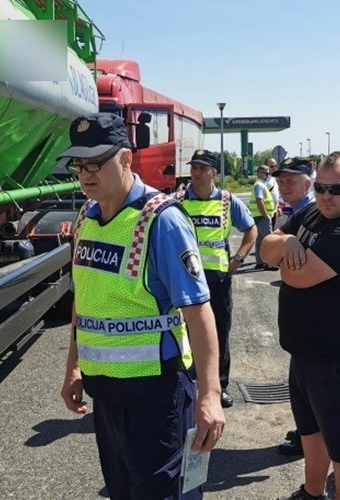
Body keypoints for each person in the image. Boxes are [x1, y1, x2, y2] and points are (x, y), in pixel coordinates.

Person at [59, 113, 225, 500]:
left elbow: (199, 311)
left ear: (126, 159)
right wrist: (73, 366)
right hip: (105, 394)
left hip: (157, 395)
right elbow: (83, 301)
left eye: (95, 163)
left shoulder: (161, 221)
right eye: (79, 165)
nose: (85, 174)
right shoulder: (86, 217)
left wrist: (210, 395)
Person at [261, 152, 340, 500]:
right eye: (321, 188)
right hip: (305, 352)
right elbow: (266, 251)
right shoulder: (313, 212)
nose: (327, 196)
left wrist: (283, 251)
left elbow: (294, 277)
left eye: (337, 189)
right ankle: (312, 493)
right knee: (311, 431)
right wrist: (288, 242)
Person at [175, 149, 257, 408]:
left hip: (217, 280)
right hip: (185, 280)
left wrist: (239, 258)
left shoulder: (227, 201)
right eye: (194, 167)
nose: (197, 173)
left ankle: (218, 387)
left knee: (219, 334)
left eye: (203, 168)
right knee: (184, 333)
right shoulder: (177, 200)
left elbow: (251, 229)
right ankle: (189, 385)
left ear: (214, 172)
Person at [269, 157, 314, 457]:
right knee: (301, 381)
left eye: (291, 181)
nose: (284, 186)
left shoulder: (311, 213)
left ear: (307, 183)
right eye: (281, 181)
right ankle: (305, 432)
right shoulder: (295, 212)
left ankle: (307, 437)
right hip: (300, 313)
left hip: (312, 312)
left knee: (309, 384)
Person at [248, 165, 276, 270]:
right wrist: (265, 215)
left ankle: (260, 262)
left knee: (260, 240)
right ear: (259, 173)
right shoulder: (259, 185)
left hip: (258, 216)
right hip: (261, 216)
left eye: (269, 173)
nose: (268, 175)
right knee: (269, 240)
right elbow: (259, 200)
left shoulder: (260, 184)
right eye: (266, 173)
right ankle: (269, 263)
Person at [264, 157, 281, 228]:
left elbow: (275, 195)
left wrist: (278, 207)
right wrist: (264, 214)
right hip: (265, 213)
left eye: (275, 166)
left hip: (273, 211)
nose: (274, 168)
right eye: (271, 166)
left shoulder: (273, 178)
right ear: (266, 167)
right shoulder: (264, 180)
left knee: (272, 230)